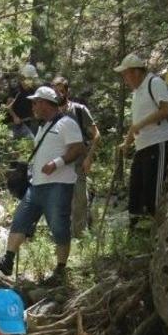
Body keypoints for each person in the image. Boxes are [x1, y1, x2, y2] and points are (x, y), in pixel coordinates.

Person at [0, 86, 85, 284]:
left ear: (45, 103)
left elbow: (78, 148)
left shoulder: (67, 123)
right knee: (20, 219)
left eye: (35, 102)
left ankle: (60, 270)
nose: (32, 106)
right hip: (37, 185)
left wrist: (56, 163)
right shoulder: (41, 126)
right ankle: (7, 260)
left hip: (58, 184)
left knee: (59, 227)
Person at [115, 53, 168, 224]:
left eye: (125, 74)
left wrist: (138, 126)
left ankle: (158, 234)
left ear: (135, 72)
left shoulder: (154, 83)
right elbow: (136, 125)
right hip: (142, 147)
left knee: (153, 194)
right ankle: (139, 233)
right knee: (136, 193)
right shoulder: (136, 93)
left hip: (158, 143)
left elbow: (167, 109)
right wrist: (126, 143)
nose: (124, 79)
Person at [52, 76, 100, 237]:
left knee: (80, 200)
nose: (58, 94)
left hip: (79, 162)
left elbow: (96, 135)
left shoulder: (79, 110)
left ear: (67, 92)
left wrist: (89, 158)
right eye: (55, 91)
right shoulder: (51, 115)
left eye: (61, 91)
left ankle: (80, 235)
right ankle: (63, 236)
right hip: (58, 164)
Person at [6, 64, 39, 139]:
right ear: (24, 77)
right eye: (30, 78)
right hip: (15, 124)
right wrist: (15, 117)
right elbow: (8, 106)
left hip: (29, 123)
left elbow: (34, 105)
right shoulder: (16, 90)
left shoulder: (32, 90)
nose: (32, 80)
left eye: (32, 78)